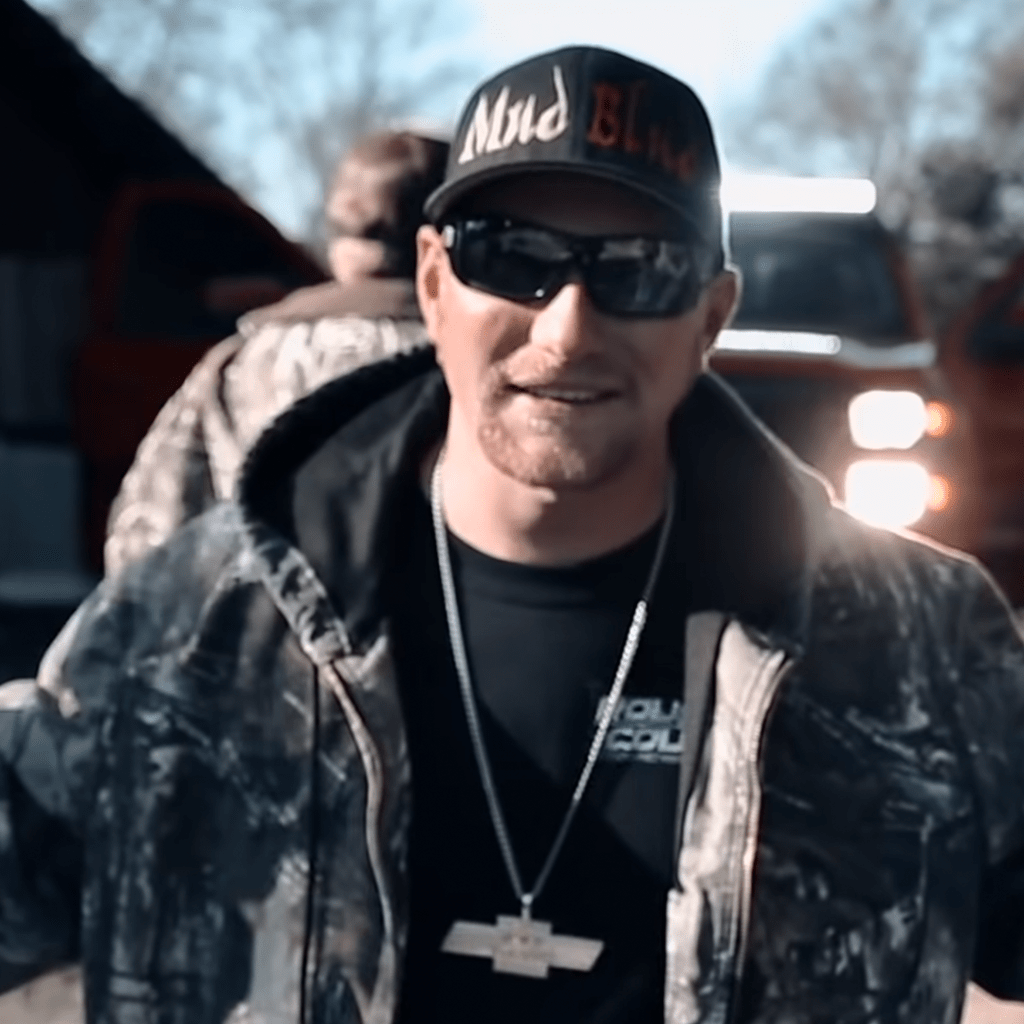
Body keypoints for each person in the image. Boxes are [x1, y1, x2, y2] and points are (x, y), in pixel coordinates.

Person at [2, 45, 1024, 1024]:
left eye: (639, 270)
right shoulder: (192, 628)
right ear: (433, 284)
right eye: (513, 257)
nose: (568, 328)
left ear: (710, 318)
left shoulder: (912, 647)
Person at [104, 128, 448, 575]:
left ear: (339, 233)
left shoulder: (240, 362)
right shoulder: (476, 357)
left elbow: (148, 542)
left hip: (263, 611)